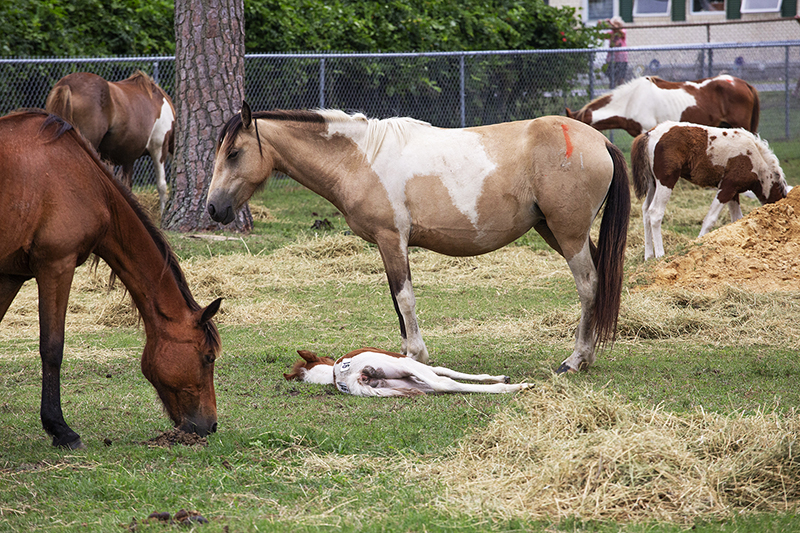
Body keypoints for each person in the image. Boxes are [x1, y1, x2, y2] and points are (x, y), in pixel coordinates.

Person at [605, 17, 628, 89]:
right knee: (611, 77)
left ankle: (621, 92)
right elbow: (600, 36)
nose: (613, 26)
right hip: (611, 59)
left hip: (622, 59)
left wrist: (610, 23)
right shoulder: (610, 34)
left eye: (616, 24)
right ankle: (612, 90)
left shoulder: (623, 31)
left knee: (620, 79)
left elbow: (619, 31)